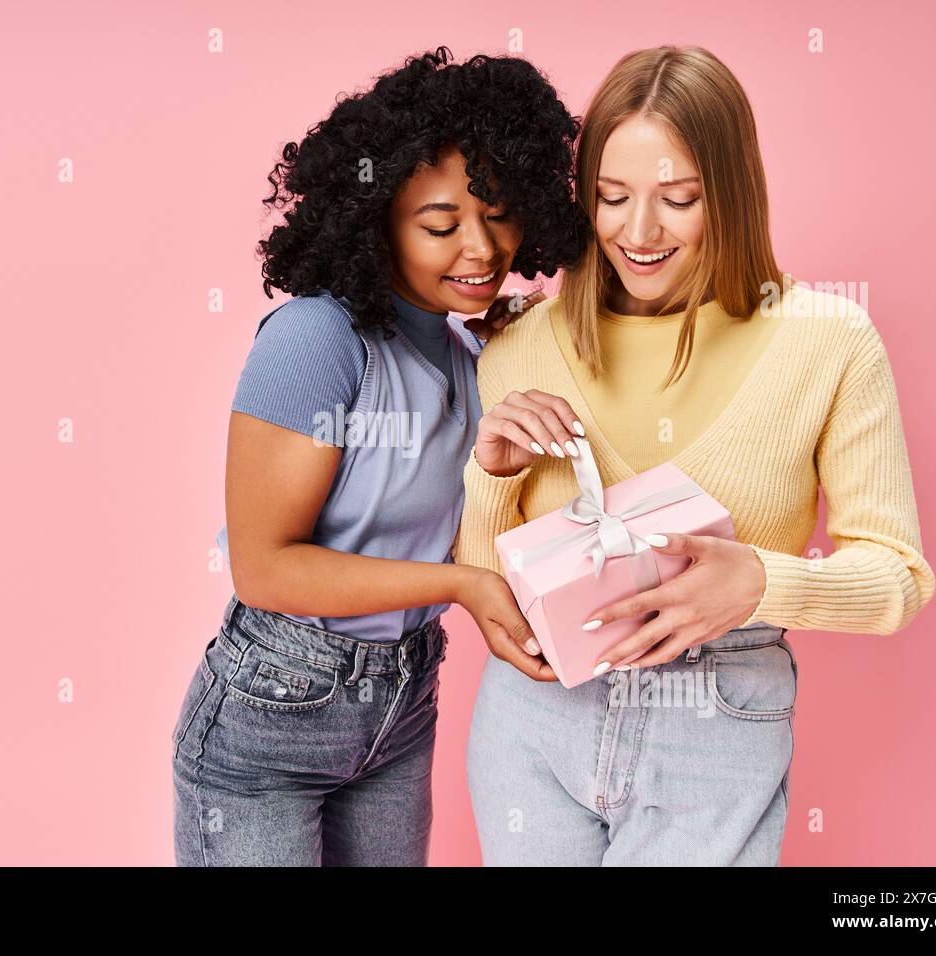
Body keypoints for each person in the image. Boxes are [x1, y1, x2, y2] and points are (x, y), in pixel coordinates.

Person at [454, 45, 936, 866]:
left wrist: (763, 582)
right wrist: (491, 475)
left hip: (719, 722)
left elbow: (899, 580)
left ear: (733, 195)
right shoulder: (520, 345)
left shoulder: (829, 343)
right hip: (535, 723)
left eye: (678, 200)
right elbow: (487, 589)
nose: (638, 233)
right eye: (611, 198)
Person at [171, 46, 587, 866]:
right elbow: (264, 569)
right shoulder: (316, 341)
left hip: (401, 705)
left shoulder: (473, 355)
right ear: (376, 223)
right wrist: (461, 586)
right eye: (440, 226)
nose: (481, 247)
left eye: (499, 213)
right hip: (273, 713)